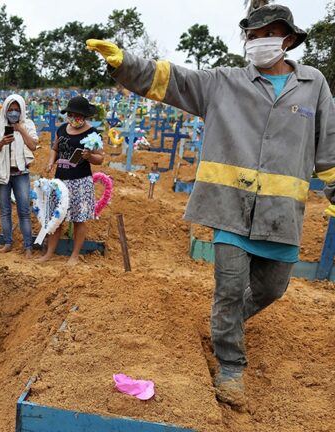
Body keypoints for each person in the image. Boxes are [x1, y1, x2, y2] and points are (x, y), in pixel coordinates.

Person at [87, 3, 335, 408]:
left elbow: (330, 142)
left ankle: (227, 325)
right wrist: (124, 63)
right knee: (230, 288)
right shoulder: (225, 82)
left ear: (288, 39)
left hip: (280, 215)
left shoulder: (313, 84)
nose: (258, 42)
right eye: (252, 36)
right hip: (229, 207)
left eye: (267, 34)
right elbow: (172, 81)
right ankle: (230, 367)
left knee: (272, 288)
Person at [41, 96, 105, 266]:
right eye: (71, 114)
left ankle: (75, 255)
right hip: (61, 180)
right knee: (57, 217)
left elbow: (100, 158)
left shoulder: (93, 134)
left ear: (84, 116)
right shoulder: (62, 129)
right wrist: (50, 162)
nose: (73, 118)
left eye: (77, 115)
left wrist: (89, 156)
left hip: (80, 181)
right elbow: (55, 148)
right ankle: (49, 253)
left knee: (78, 218)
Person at [0, 94, 39, 258]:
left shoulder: (28, 124)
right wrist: (2, 142)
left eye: (17, 110)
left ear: (22, 110)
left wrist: (20, 129)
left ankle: (28, 246)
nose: (14, 113)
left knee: (24, 210)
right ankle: (8, 243)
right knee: (4, 211)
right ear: (5, 109)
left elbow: (33, 146)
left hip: (21, 173)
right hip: (4, 174)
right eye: (10, 109)